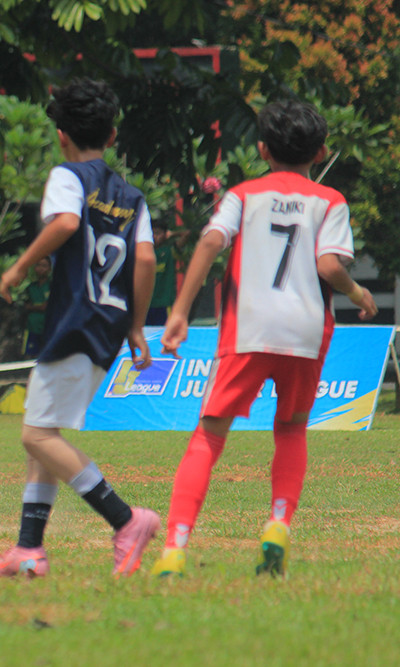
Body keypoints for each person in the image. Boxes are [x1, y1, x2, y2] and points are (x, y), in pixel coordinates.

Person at [149, 100, 378, 578]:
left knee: (210, 435)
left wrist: (179, 311)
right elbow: (329, 266)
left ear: (261, 148)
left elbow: (211, 242)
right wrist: (358, 292)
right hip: (306, 329)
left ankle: (175, 547)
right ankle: (277, 524)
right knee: (291, 429)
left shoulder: (243, 194)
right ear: (320, 151)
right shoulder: (331, 200)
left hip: (248, 328)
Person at [0, 78, 160, 579]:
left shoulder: (68, 175)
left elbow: (64, 225)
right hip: (109, 322)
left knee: (35, 435)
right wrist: (138, 326)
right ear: (113, 135)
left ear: (61, 135)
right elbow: (144, 259)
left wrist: (17, 268)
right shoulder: (131, 196)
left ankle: (126, 519)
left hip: (74, 318)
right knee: (46, 430)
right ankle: (28, 549)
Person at [22, 256, 52, 356]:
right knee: (29, 356)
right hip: (32, 327)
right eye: (38, 265)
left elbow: (46, 307)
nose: (41, 268)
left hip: (47, 327)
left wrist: (32, 307)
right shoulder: (30, 287)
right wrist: (39, 307)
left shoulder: (52, 285)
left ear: (49, 269)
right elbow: (25, 306)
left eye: (44, 266)